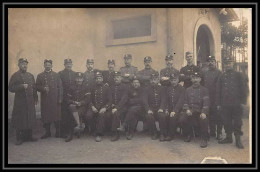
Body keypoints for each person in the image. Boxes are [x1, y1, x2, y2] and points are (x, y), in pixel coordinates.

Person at [217, 57, 248, 149]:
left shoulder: (239, 75)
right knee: (226, 121)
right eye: (226, 63)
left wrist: (243, 101)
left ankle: (238, 139)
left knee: (237, 121)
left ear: (233, 64)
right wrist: (218, 103)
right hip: (225, 103)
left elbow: (244, 88)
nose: (228, 65)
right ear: (224, 65)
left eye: (229, 63)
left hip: (236, 103)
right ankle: (228, 137)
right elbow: (218, 90)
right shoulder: (222, 76)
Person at [9, 58, 38, 145]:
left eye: (25, 64)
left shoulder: (30, 75)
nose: (24, 65)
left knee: (30, 118)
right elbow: (10, 88)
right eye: (22, 64)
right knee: (20, 119)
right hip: (20, 102)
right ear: (19, 65)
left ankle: (29, 136)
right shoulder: (15, 75)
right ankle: (19, 138)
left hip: (30, 101)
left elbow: (34, 88)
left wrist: (35, 98)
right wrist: (21, 86)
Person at [180, 72, 210, 148]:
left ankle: (204, 139)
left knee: (204, 119)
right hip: (190, 110)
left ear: (200, 79)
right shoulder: (188, 90)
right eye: (193, 78)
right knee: (182, 119)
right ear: (191, 79)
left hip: (200, 111)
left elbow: (206, 103)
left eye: (197, 78)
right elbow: (185, 102)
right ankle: (188, 134)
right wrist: (187, 110)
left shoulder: (204, 90)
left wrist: (204, 112)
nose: (195, 80)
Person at [36, 59, 63, 139]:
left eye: (49, 65)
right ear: (44, 65)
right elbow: (36, 86)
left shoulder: (56, 75)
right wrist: (43, 88)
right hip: (46, 99)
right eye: (46, 64)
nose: (48, 66)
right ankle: (47, 132)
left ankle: (58, 132)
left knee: (57, 116)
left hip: (55, 99)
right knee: (46, 116)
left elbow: (60, 87)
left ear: (52, 65)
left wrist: (60, 98)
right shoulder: (40, 75)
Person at [85, 71, 112, 142]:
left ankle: (99, 134)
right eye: (97, 78)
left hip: (103, 107)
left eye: (100, 78)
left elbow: (110, 100)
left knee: (101, 115)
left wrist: (105, 108)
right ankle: (93, 129)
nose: (98, 80)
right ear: (95, 80)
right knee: (88, 116)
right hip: (94, 106)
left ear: (102, 79)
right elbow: (89, 99)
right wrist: (92, 107)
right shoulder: (92, 87)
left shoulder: (106, 88)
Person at [65, 72, 91, 142]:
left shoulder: (86, 87)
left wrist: (81, 103)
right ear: (75, 79)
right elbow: (67, 99)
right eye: (78, 78)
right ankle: (78, 125)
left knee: (72, 114)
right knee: (71, 108)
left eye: (80, 78)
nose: (79, 80)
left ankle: (71, 133)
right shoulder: (71, 87)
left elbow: (88, 99)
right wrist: (74, 102)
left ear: (83, 79)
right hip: (74, 106)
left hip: (83, 107)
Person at [202, 56, 223, 140]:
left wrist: (219, 100)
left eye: (212, 61)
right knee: (210, 115)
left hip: (216, 97)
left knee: (218, 116)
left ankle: (219, 133)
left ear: (215, 62)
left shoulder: (219, 73)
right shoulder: (205, 73)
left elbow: (220, 87)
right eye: (209, 61)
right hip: (208, 98)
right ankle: (212, 132)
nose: (210, 63)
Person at [143, 73, 167, 141]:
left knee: (162, 116)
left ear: (157, 80)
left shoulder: (162, 88)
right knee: (149, 116)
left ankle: (162, 133)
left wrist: (162, 108)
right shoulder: (146, 89)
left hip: (160, 108)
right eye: (152, 80)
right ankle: (154, 132)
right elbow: (144, 100)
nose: (153, 81)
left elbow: (164, 99)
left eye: (155, 79)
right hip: (151, 108)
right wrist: (148, 109)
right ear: (150, 80)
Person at [58, 58, 76, 138]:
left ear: (72, 64)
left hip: (72, 97)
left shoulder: (75, 73)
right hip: (64, 97)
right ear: (64, 65)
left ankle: (71, 131)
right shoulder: (60, 73)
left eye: (70, 64)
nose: (68, 65)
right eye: (67, 64)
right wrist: (60, 97)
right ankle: (63, 132)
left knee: (72, 114)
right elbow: (59, 86)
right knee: (64, 115)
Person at [165, 73, 185, 141]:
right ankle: (164, 133)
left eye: (175, 80)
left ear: (178, 80)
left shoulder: (182, 89)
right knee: (164, 116)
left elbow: (181, 101)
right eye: (172, 80)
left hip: (179, 110)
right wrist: (167, 109)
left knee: (173, 117)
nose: (173, 82)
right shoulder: (168, 89)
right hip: (170, 109)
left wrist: (175, 110)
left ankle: (170, 135)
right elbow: (166, 100)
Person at [109, 71, 128, 141]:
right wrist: (112, 104)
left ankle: (115, 133)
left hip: (122, 107)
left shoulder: (125, 87)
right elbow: (110, 98)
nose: (116, 78)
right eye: (115, 77)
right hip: (113, 106)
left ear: (121, 78)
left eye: (118, 77)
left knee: (116, 114)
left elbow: (124, 99)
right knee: (107, 114)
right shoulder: (111, 87)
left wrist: (117, 108)